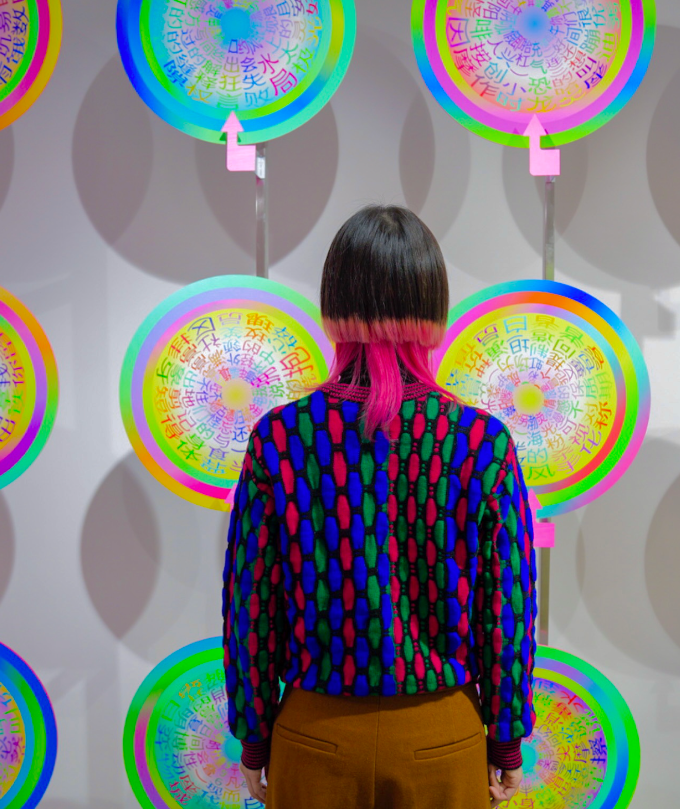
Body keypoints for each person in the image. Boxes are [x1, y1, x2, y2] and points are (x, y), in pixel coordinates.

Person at [222, 205, 536, 809]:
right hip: (441, 737)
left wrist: (255, 736)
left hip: (314, 735)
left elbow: (251, 604)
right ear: (434, 307)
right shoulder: (481, 441)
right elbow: (506, 605)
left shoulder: (280, 438)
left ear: (333, 303)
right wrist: (505, 740)